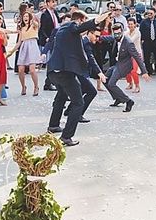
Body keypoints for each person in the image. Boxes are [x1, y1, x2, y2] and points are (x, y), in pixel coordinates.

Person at [45, 11, 111, 146]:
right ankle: (66, 137)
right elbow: (82, 27)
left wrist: (98, 72)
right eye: (84, 21)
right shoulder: (71, 26)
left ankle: (53, 125)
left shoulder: (64, 32)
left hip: (54, 71)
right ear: (80, 20)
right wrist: (99, 18)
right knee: (78, 103)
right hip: (64, 72)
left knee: (61, 96)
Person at [104, 23, 150, 111]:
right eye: (115, 34)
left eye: (118, 33)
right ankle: (118, 97)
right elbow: (108, 38)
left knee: (111, 83)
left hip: (125, 66)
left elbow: (137, 57)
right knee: (105, 79)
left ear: (122, 32)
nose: (117, 35)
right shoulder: (115, 38)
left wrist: (144, 72)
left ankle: (128, 101)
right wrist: (97, 37)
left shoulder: (128, 43)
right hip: (117, 64)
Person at [14, 12, 41, 96]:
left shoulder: (34, 25)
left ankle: (36, 87)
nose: (25, 18)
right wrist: (11, 51)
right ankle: (23, 87)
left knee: (32, 70)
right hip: (24, 46)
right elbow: (19, 41)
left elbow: (37, 22)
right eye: (24, 16)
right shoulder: (21, 27)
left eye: (27, 16)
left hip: (32, 45)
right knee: (21, 69)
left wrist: (32, 16)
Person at [39, 0, 59, 91]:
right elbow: (42, 28)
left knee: (54, 62)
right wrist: (46, 38)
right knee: (50, 62)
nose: (54, 3)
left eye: (55, 1)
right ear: (47, 3)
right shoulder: (45, 14)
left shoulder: (55, 12)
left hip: (56, 39)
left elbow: (58, 24)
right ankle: (49, 83)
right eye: (52, 2)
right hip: (50, 40)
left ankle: (49, 82)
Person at [139, 9, 156, 77]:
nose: (149, 14)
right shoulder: (144, 22)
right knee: (147, 57)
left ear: (155, 14)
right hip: (147, 41)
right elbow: (140, 32)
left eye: (151, 13)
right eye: (148, 13)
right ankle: (148, 71)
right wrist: (142, 41)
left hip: (155, 42)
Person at [125, 17, 142, 93]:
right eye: (129, 24)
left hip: (136, 54)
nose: (130, 25)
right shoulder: (126, 32)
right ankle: (130, 83)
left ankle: (137, 86)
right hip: (128, 53)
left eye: (131, 24)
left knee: (133, 71)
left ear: (135, 24)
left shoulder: (137, 32)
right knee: (126, 70)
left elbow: (130, 41)